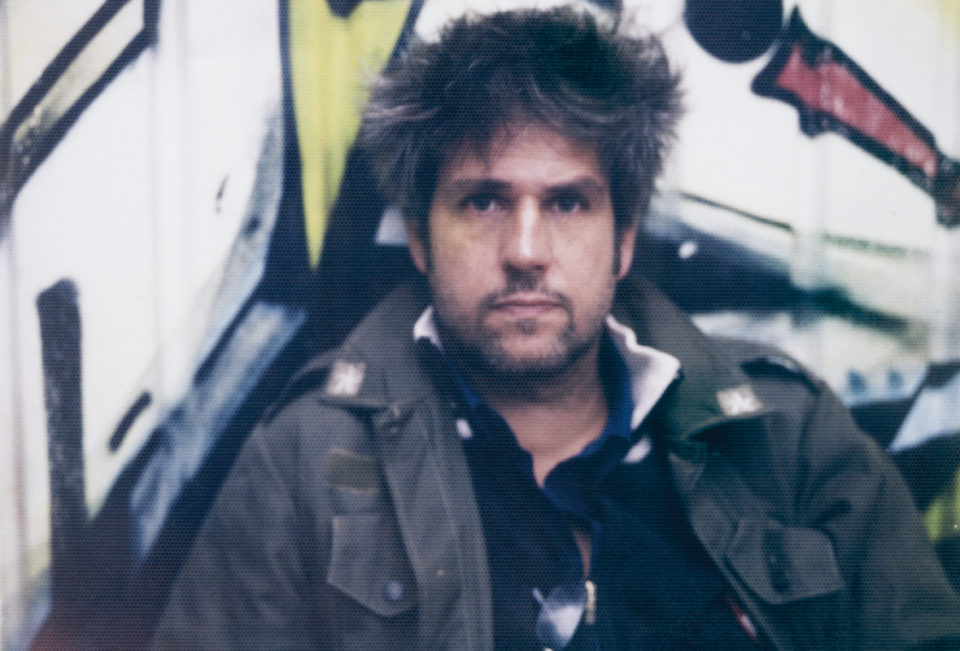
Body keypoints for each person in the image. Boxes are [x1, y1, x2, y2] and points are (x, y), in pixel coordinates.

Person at [152, 6, 960, 649]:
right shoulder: (305, 460)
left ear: (625, 237)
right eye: (483, 201)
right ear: (421, 237)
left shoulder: (788, 435)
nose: (526, 251)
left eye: (568, 202)